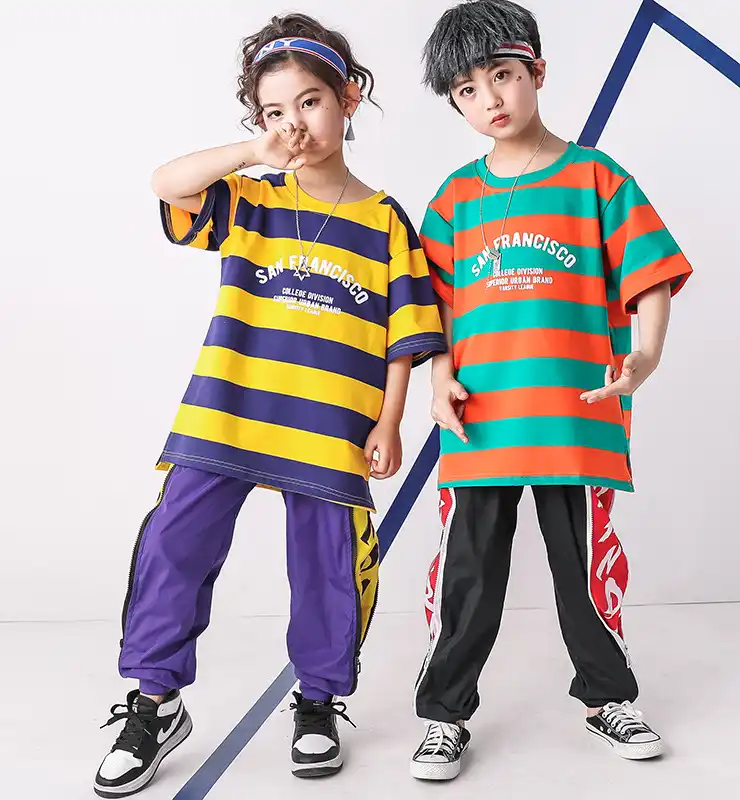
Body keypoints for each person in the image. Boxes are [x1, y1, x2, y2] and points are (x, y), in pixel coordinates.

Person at [93, 13, 446, 797]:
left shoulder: (386, 221)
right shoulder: (249, 199)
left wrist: (390, 421)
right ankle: (154, 703)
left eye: (310, 102)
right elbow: (167, 183)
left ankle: (317, 702)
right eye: (275, 111)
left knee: (328, 569)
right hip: (227, 411)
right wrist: (253, 152)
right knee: (173, 547)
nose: (295, 125)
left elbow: (404, 333)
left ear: (348, 99)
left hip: (330, 428)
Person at [411, 0, 693, 781]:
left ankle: (609, 699)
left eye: (501, 76)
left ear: (536, 70)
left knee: (586, 569)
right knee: (467, 574)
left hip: (578, 415)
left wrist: (645, 355)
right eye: (467, 90)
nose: (489, 99)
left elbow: (649, 276)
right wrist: (439, 379)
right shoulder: (455, 198)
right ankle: (443, 715)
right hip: (482, 423)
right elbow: (431, 308)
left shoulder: (595, 178)